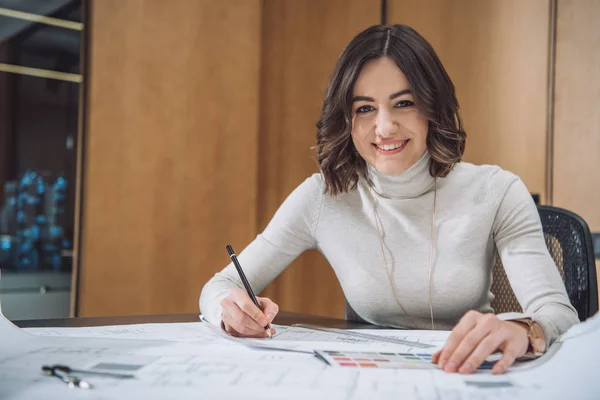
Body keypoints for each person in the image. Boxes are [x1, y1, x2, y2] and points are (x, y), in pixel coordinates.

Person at [200, 24, 578, 375]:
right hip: (368, 381)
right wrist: (229, 311)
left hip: (475, 377)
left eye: (404, 103)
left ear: (432, 106)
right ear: (346, 119)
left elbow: (558, 315)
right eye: (365, 108)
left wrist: (525, 329)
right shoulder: (322, 197)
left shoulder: (497, 192)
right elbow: (219, 286)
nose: (384, 127)